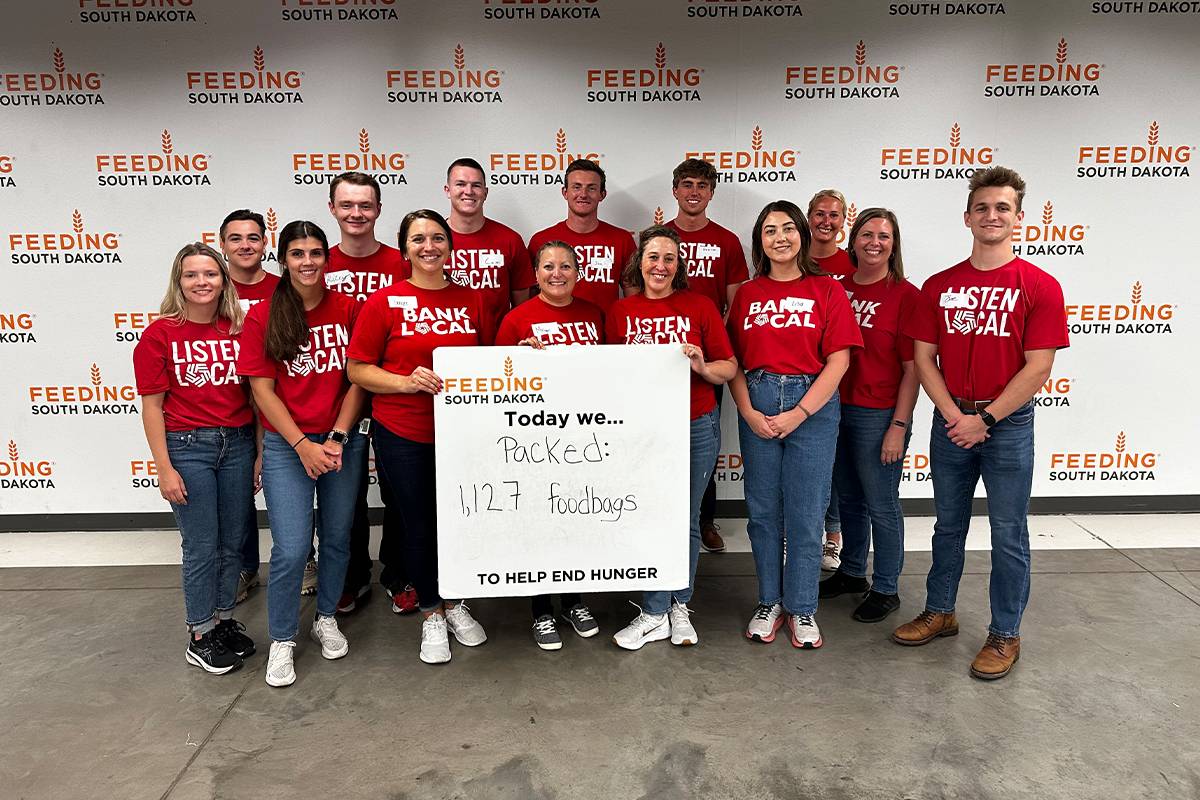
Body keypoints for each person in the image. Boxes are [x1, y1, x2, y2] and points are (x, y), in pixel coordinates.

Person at [892, 167, 1068, 680]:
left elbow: (1039, 367)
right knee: (947, 526)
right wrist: (955, 416)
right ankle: (940, 611)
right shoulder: (940, 285)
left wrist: (985, 417)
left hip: (1006, 426)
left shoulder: (1039, 285)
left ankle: (1005, 633)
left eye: (1003, 208)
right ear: (968, 217)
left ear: (1018, 217)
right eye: (983, 208)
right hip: (952, 422)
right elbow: (923, 358)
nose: (992, 216)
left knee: (1008, 532)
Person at [347, 209, 495, 665]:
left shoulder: (473, 300)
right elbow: (357, 368)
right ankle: (431, 611)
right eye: (417, 239)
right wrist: (406, 382)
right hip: (402, 432)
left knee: (458, 523)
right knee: (417, 526)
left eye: (436, 238)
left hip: (462, 434)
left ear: (450, 244)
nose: (428, 246)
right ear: (404, 247)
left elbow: (491, 360)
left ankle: (454, 602)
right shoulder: (384, 302)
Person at [238, 221, 369, 687]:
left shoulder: (351, 308)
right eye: (297, 253)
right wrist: (301, 445)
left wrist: (335, 436)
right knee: (292, 549)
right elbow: (262, 391)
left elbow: (359, 377)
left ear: (328, 259)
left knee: (337, 538)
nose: (308, 261)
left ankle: (326, 617)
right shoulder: (262, 316)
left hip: (341, 440)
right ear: (283, 260)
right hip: (286, 444)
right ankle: (282, 640)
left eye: (316, 252)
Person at [727, 201, 862, 649]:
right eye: (769, 231)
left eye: (788, 229)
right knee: (764, 513)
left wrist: (800, 412)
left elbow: (839, 360)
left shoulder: (827, 291)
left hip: (813, 406)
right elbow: (734, 364)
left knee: (806, 514)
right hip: (759, 398)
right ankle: (770, 602)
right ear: (759, 241)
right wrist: (748, 412)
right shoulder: (746, 294)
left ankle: (802, 608)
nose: (779, 237)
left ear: (802, 235)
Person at [605, 225, 736, 650]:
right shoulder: (620, 312)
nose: (660, 266)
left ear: (679, 266)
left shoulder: (699, 306)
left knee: (686, 517)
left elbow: (729, 368)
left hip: (695, 422)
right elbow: (604, 373)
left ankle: (670, 608)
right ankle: (662, 609)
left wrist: (700, 365)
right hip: (642, 430)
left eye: (669, 259)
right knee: (652, 516)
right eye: (653, 257)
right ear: (638, 262)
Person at [133, 242, 257, 675]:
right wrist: (164, 469)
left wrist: (257, 452)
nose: (202, 282)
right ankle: (200, 633)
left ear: (224, 280)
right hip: (188, 447)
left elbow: (256, 398)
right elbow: (152, 407)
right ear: (179, 281)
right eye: (191, 275)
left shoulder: (239, 330)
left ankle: (223, 620)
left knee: (232, 542)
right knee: (202, 545)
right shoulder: (158, 335)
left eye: (210, 274)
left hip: (238, 443)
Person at [496, 241, 605, 650]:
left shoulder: (595, 314)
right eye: (547, 267)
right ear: (536, 273)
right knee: (541, 521)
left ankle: (573, 601)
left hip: (584, 436)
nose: (556, 273)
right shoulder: (515, 320)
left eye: (565, 266)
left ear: (579, 271)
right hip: (534, 439)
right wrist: (520, 361)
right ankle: (541, 610)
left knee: (576, 518)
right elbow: (499, 384)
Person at [817, 209, 920, 623]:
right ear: (852, 239)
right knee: (849, 500)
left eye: (884, 236)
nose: (874, 242)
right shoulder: (836, 288)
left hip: (879, 414)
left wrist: (898, 426)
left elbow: (914, 368)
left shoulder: (905, 295)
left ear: (894, 245)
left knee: (881, 503)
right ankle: (853, 571)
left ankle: (887, 587)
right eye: (866, 234)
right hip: (834, 410)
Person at [324, 171, 414, 616]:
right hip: (332, 396)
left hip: (393, 395)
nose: (356, 213)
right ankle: (350, 577)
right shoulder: (318, 263)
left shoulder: (403, 262)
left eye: (365, 205)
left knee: (399, 493)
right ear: (333, 209)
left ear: (378, 210)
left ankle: (399, 574)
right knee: (346, 497)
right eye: (347, 205)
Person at [665, 158, 750, 555]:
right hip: (660, 358)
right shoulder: (658, 236)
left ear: (712, 192)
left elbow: (737, 302)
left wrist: (712, 342)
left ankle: (704, 519)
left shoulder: (728, 241)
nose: (694, 191)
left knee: (704, 440)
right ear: (675, 190)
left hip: (705, 359)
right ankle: (662, 515)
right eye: (687, 184)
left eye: (702, 185)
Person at [218, 209, 279, 604]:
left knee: (283, 487)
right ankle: (245, 567)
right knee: (237, 495)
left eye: (253, 237)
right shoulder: (210, 288)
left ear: (265, 243)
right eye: (236, 238)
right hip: (229, 402)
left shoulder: (281, 289)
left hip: (275, 398)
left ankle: (304, 557)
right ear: (223, 245)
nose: (245, 245)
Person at [807, 189, 856, 572]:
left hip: (846, 376)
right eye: (819, 213)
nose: (826, 221)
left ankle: (833, 536)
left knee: (835, 465)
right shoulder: (792, 258)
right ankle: (801, 532)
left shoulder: (853, 264)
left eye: (834, 215)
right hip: (804, 379)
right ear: (809, 218)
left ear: (843, 221)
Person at [526, 159, 636, 315]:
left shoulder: (622, 240)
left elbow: (632, 298)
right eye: (577, 187)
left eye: (591, 188)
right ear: (565, 192)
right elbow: (529, 299)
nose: (583, 194)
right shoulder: (541, 240)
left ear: (602, 194)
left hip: (605, 334)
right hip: (553, 332)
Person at [444, 157, 537, 322]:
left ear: (485, 193)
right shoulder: (430, 243)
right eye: (460, 184)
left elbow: (522, 310)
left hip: (497, 344)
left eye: (476, 185)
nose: (469, 191)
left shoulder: (510, 240)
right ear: (448, 190)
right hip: (444, 341)